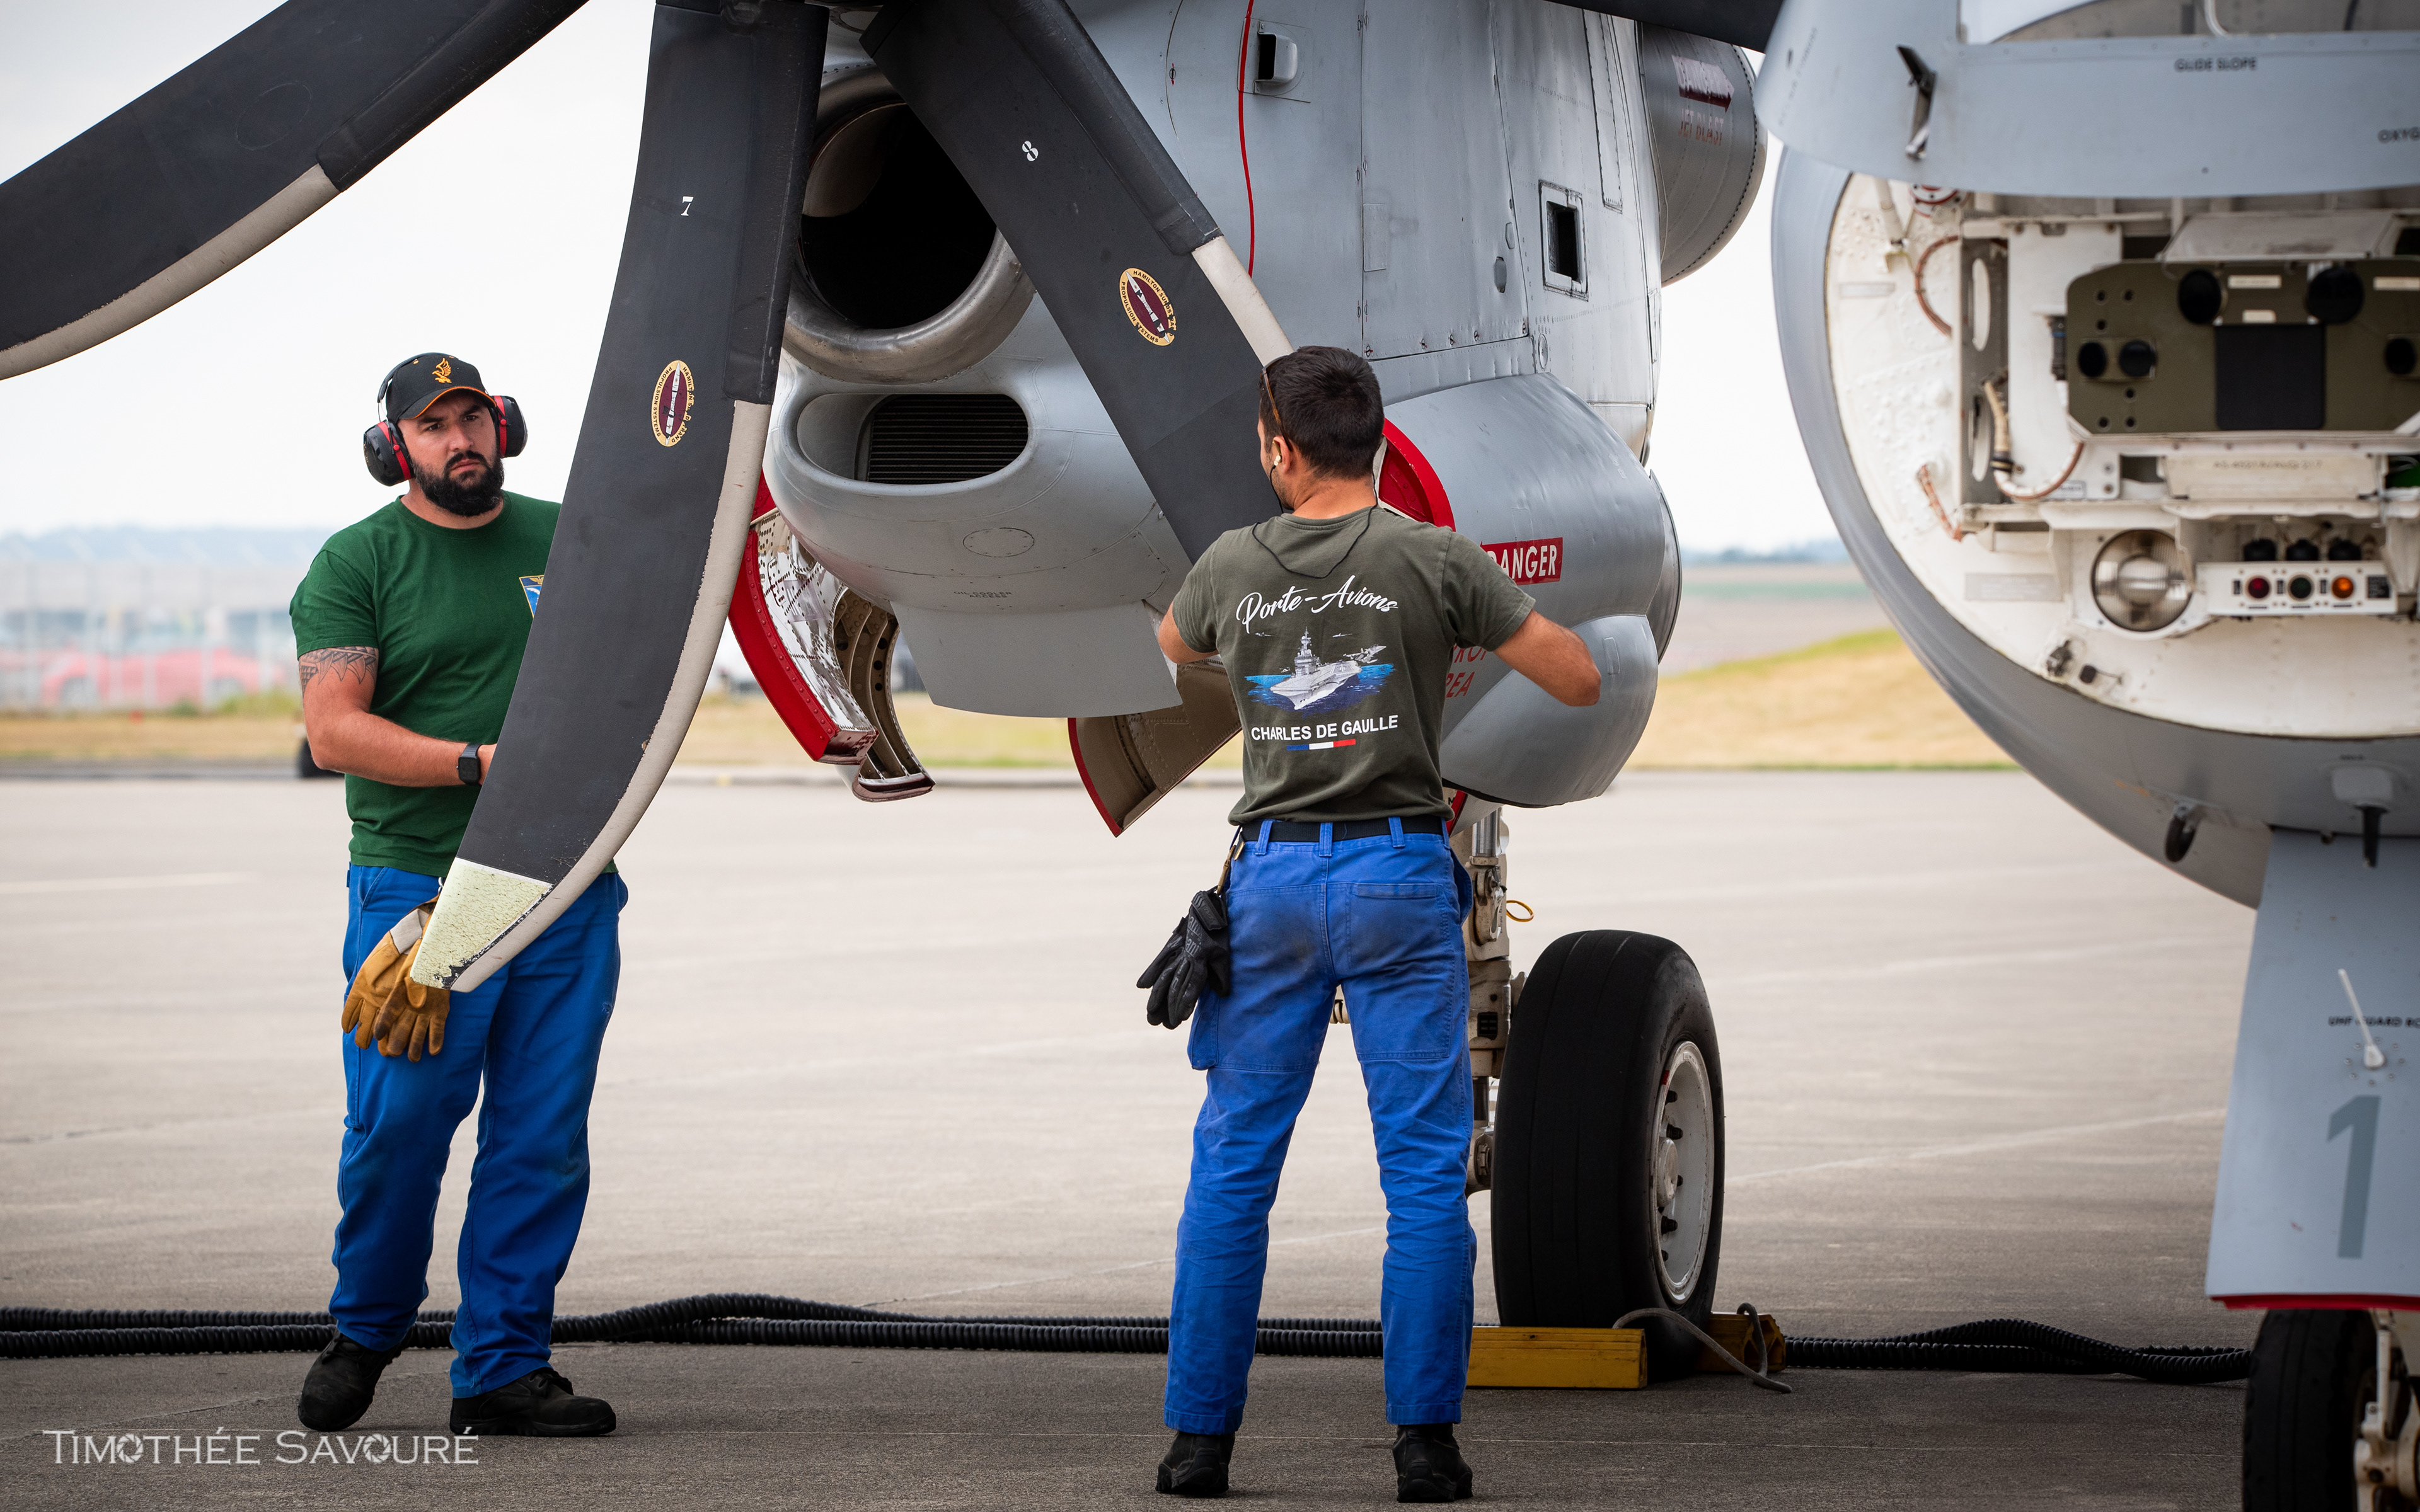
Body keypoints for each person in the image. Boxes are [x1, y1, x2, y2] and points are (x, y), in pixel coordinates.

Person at [1150, 346, 1603, 1501]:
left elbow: (1174, 645)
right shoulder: (1433, 556)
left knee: (1235, 1168)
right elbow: (1578, 678)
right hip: (1402, 875)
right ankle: (1425, 1448)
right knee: (1419, 1177)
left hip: (1275, 885)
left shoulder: (1231, 564)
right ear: (1381, 442)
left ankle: (1199, 1447)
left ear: (1278, 449)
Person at [287, 353, 624, 1438]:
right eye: (434, 426)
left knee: (540, 1136)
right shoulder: (358, 562)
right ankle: (366, 1330)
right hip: (423, 888)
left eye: (473, 416)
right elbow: (333, 730)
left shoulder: (573, 538)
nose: (459, 438)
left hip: (565, 883)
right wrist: (478, 766)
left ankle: (502, 1371)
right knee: (400, 1127)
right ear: (397, 448)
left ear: (505, 427)